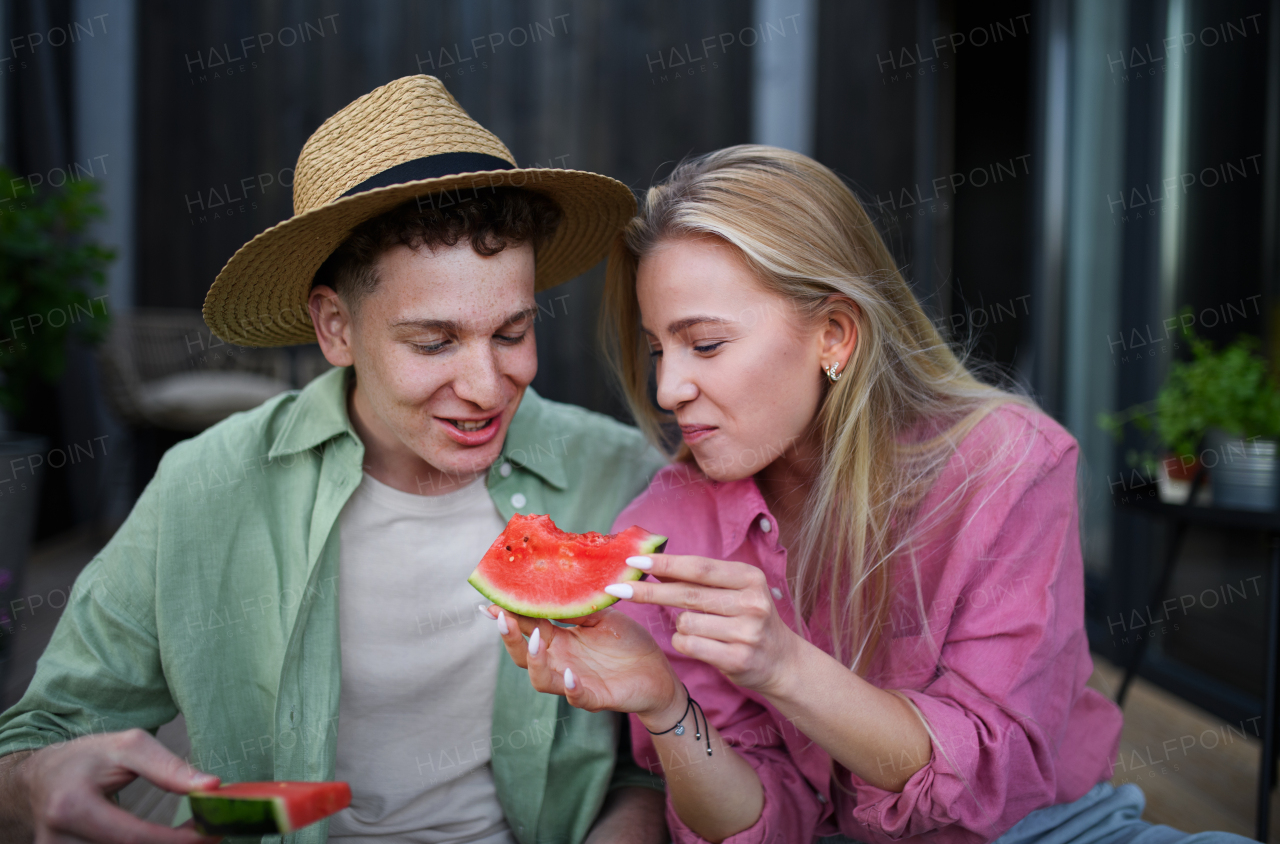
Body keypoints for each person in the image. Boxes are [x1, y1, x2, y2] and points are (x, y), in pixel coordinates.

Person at [486, 146, 1256, 844]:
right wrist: (664, 706)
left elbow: (988, 775)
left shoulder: (1007, 468)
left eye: (707, 343)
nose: (668, 387)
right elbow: (760, 821)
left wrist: (783, 664)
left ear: (835, 335)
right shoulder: (664, 524)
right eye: (659, 348)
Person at [0, 75, 669, 844]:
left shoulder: (622, 476)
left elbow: (652, 759)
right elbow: (37, 736)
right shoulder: (204, 484)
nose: (488, 385)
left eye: (512, 332)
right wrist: (33, 781)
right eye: (433, 341)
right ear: (334, 328)